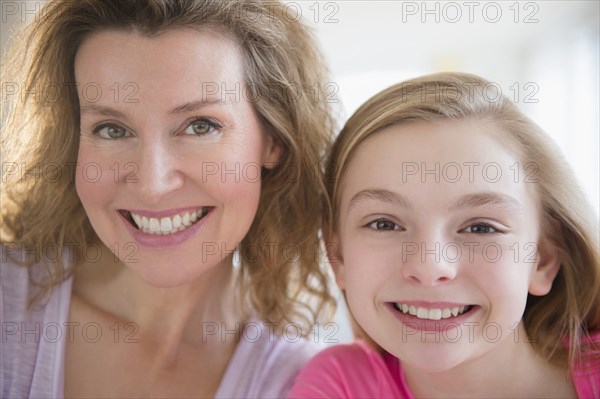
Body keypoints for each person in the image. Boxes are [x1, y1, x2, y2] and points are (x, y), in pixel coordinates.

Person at [0, 0, 337, 397]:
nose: (152, 184)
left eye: (200, 126)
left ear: (275, 139)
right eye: (111, 129)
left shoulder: (299, 384)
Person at [289, 72, 600, 398]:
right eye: (384, 224)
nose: (430, 267)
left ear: (542, 260)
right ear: (337, 256)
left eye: (481, 228)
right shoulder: (340, 384)